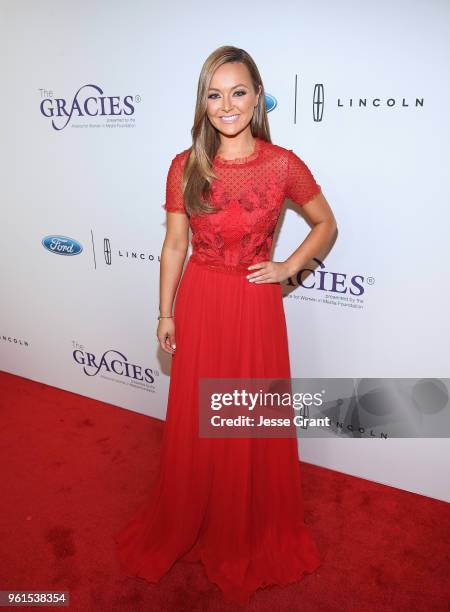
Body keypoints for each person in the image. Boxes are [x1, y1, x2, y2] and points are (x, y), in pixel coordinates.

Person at [114, 45, 337, 605]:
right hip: (203, 299)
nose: (227, 105)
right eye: (215, 95)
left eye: (238, 92)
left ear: (258, 97)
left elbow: (325, 224)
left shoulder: (283, 163)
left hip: (255, 304)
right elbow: (173, 245)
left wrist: (288, 267)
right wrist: (165, 310)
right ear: (203, 102)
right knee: (198, 417)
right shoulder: (184, 165)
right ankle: (198, 513)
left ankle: (247, 525)